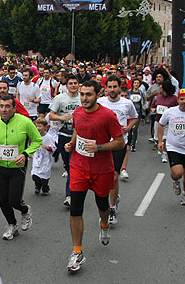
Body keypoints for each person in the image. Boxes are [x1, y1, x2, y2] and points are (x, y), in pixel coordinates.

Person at [64, 81, 124, 273]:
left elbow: (120, 142)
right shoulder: (78, 113)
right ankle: (77, 252)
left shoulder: (108, 116)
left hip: (101, 169)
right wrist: (72, 143)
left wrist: (99, 147)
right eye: (82, 94)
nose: (84, 98)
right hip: (79, 167)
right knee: (76, 208)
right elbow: (78, 130)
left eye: (88, 95)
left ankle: (104, 224)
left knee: (102, 206)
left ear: (98, 95)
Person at [0, 94, 42, 240]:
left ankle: (25, 210)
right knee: (2, 200)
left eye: (7, 106)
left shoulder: (25, 122)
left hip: (18, 167)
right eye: (2, 106)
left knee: (14, 200)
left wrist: (25, 153)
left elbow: (37, 140)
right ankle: (12, 225)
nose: (4, 110)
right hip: (1, 166)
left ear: (14, 108)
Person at [97, 76, 138, 225]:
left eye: (115, 87)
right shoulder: (100, 102)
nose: (112, 90)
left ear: (120, 88)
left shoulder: (127, 103)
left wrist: (128, 127)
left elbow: (134, 117)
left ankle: (112, 207)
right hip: (102, 144)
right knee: (103, 179)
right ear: (106, 88)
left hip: (119, 143)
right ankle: (108, 203)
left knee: (114, 177)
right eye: (110, 87)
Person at [49, 74, 82, 208]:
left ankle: (70, 195)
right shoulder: (60, 98)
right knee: (69, 166)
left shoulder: (83, 98)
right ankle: (74, 186)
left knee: (73, 166)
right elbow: (51, 115)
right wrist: (62, 118)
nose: (73, 85)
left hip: (80, 136)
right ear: (67, 85)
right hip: (64, 134)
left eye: (75, 83)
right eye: (71, 83)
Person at [31, 118, 56, 195]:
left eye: (40, 126)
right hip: (36, 157)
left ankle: (45, 188)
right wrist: (31, 153)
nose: (38, 128)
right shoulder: (35, 136)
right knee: (35, 175)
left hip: (45, 158)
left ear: (45, 127)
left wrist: (48, 148)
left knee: (44, 175)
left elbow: (54, 148)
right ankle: (37, 186)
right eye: (37, 126)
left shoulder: (48, 137)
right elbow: (32, 145)